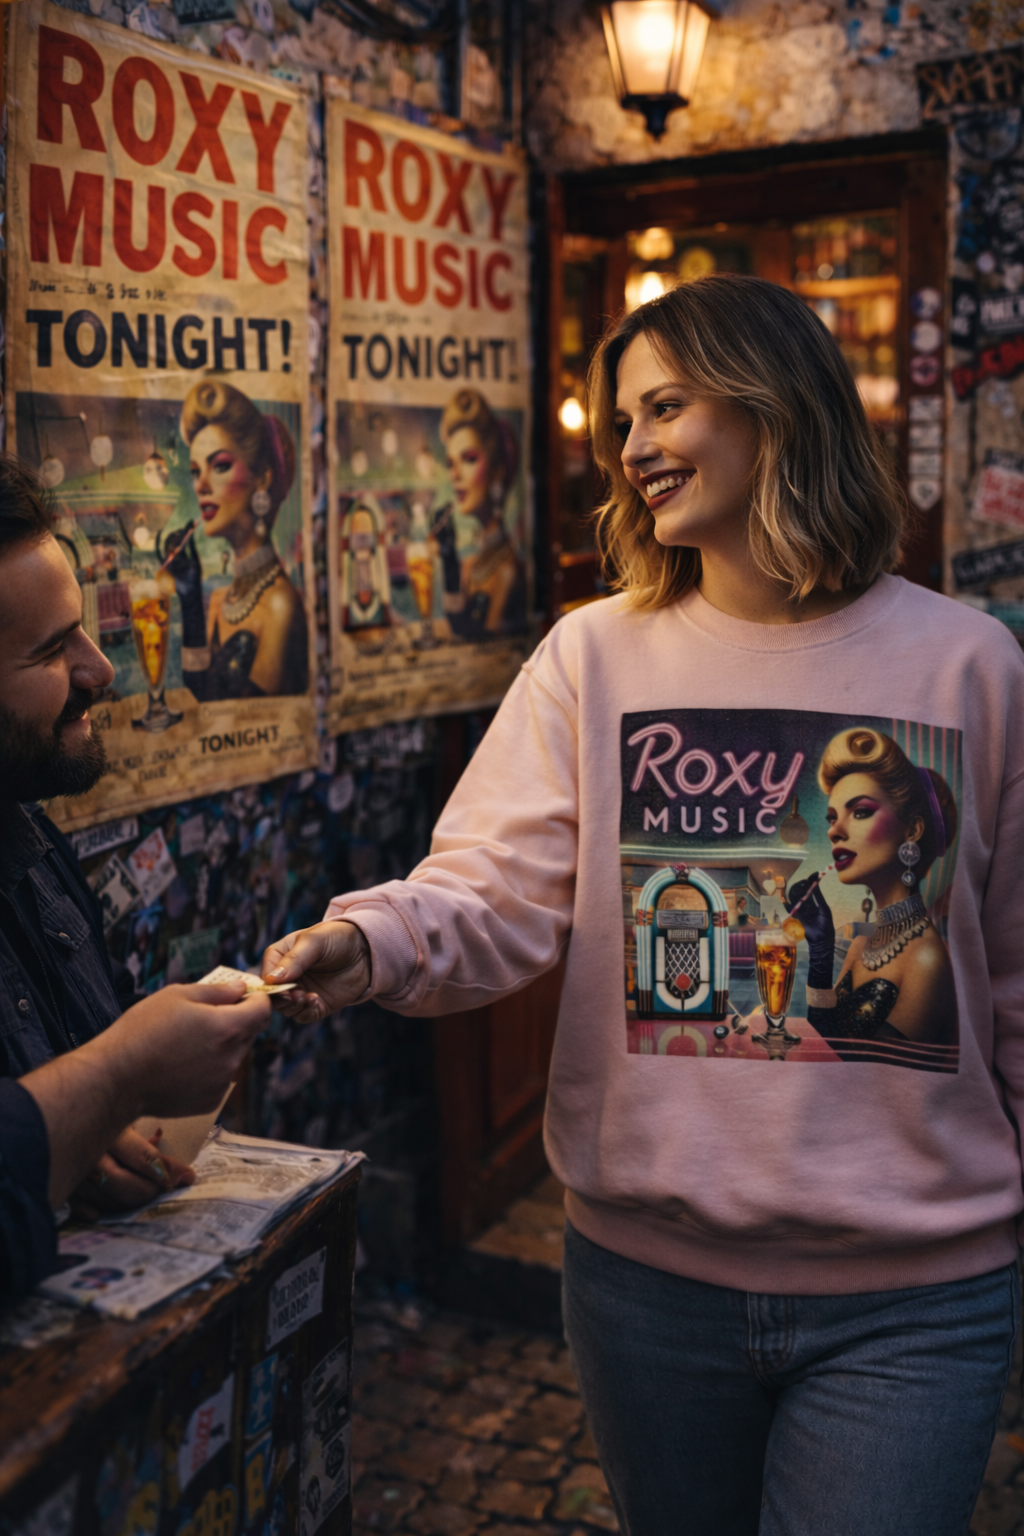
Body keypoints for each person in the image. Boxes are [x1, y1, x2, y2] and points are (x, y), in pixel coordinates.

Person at [261, 275, 1024, 1536]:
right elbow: (489, 888)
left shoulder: (970, 664)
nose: (631, 450)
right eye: (622, 421)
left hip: (915, 1293)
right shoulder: (593, 654)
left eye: (663, 407)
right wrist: (369, 939)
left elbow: (1010, 975)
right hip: (646, 1289)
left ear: (771, 404)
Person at [0, 456, 270, 1298]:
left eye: (81, 630)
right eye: (51, 650)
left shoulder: (30, 843)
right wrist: (120, 1073)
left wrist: (89, 1141)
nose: (99, 669)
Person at [791, 726, 959, 1053]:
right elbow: (823, 1038)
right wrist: (820, 954)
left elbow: (873, 1080)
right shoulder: (863, 942)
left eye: (861, 812)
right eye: (832, 818)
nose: (834, 831)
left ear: (912, 829)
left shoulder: (926, 959)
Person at [167, 382, 308, 699]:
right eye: (194, 471)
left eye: (219, 466)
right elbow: (201, 696)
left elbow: (246, 722)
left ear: (263, 478)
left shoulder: (279, 605)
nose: (201, 485)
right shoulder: (219, 599)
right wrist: (190, 603)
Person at [439, 388, 525, 637]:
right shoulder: (472, 564)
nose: (454, 475)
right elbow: (458, 626)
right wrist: (448, 557)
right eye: (450, 463)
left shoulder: (506, 573)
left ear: (497, 468)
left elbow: (483, 649)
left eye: (469, 458)